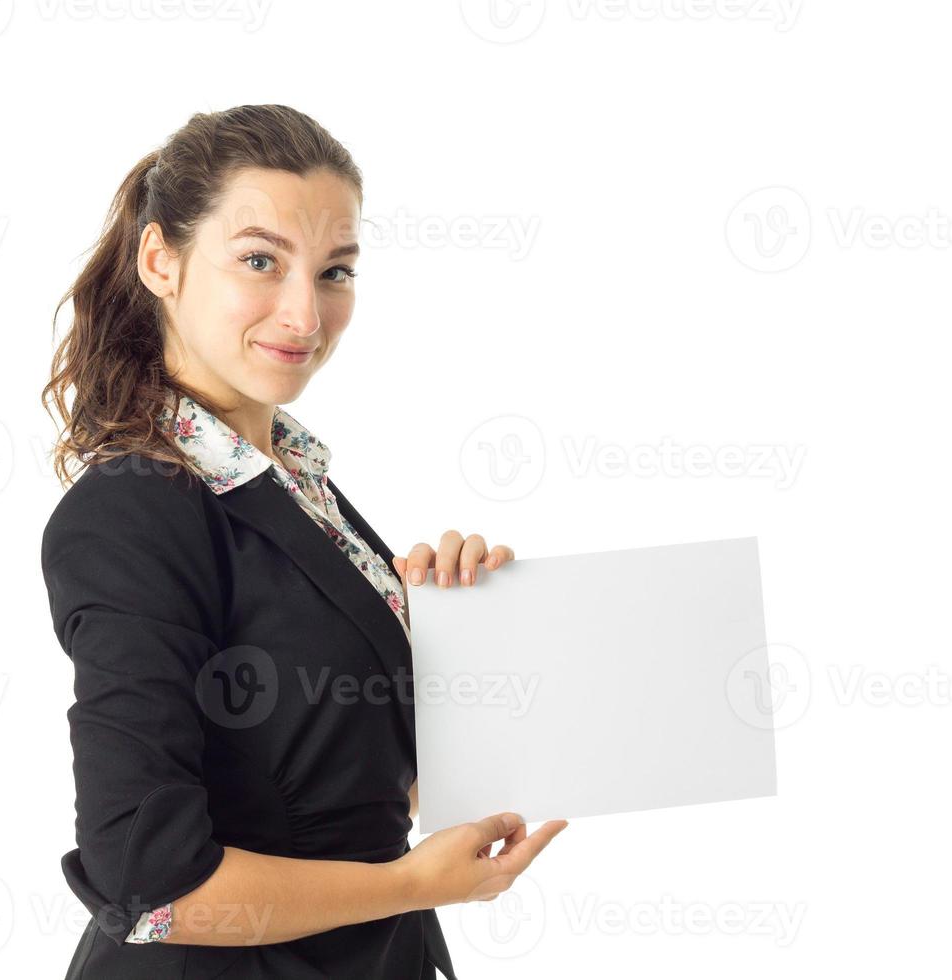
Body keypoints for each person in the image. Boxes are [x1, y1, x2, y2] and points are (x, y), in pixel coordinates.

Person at [40, 104, 568, 979]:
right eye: (259, 261)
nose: (304, 313)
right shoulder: (134, 509)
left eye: (335, 271)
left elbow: (338, 786)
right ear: (160, 260)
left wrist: (456, 640)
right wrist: (408, 884)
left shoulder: (294, 484)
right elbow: (151, 882)